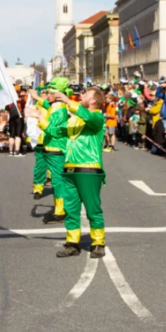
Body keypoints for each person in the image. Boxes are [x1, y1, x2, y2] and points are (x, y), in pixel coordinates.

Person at [48, 86, 107, 259]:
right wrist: (40, 118)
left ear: (93, 100)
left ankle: (98, 243)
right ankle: (72, 243)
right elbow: (57, 132)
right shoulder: (75, 120)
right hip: (69, 170)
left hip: (89, 169)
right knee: (71, 209)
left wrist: (68, 101)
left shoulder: (97, 117)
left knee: (92, 209)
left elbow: (88, 117)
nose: (82, 95)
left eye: (86, 94)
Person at [32, 78, 71, 225]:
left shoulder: (60, 109)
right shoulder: (55, 105)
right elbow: (47, 104)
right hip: (51, 148)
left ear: (59, 94)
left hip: (56, 149)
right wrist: (36, 97)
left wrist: (39, 117)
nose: (48, 95)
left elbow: (52, 130)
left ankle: (60, 211)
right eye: (47, 92)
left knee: (58, 182)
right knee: (56, 181)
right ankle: (59, 209)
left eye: (51, 93)